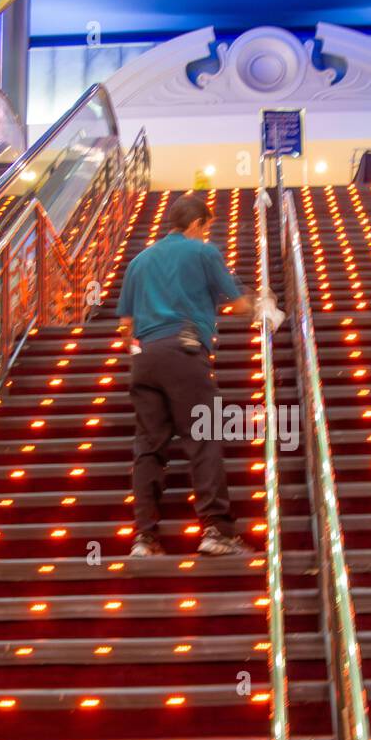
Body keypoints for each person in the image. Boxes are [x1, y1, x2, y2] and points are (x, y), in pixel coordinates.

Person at [117, 192, 269, 557]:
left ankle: (145, 538)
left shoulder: (139, 261)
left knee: (148, 448)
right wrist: (261, 305)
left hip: (145, 357)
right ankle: (215, 531)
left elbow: (126, 324)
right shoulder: (203, 252)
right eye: (208, 227)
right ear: (198, 223)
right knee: (203, 435)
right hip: (185, 350)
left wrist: (142, 351)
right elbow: (235, 302)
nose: (208, 234)